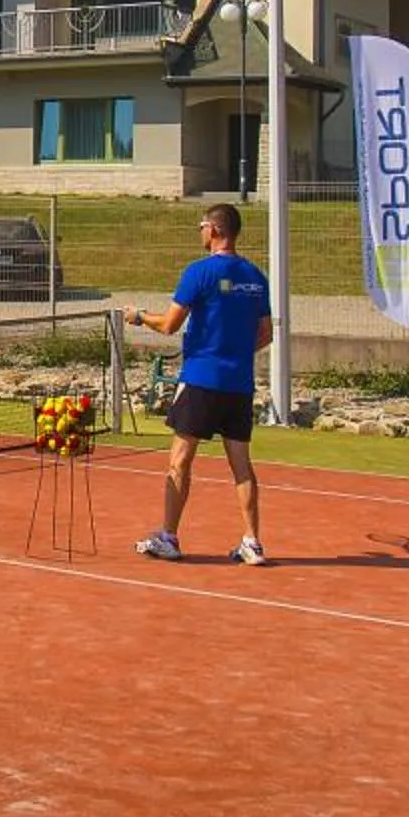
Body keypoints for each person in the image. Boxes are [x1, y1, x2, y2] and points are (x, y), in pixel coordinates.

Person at [123, 204, 273, 566]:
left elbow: (170, 325)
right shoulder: (255, 276)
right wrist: (234, 352)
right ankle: (252, 542)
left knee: (179, 460)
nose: (200, 231)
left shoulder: (200, 272)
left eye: (202, 225)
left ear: (216, 230)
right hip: (238, 384)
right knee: (241, 465)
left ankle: (169, 537)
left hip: (202, 380)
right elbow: (265, 334)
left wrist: (139, 316)